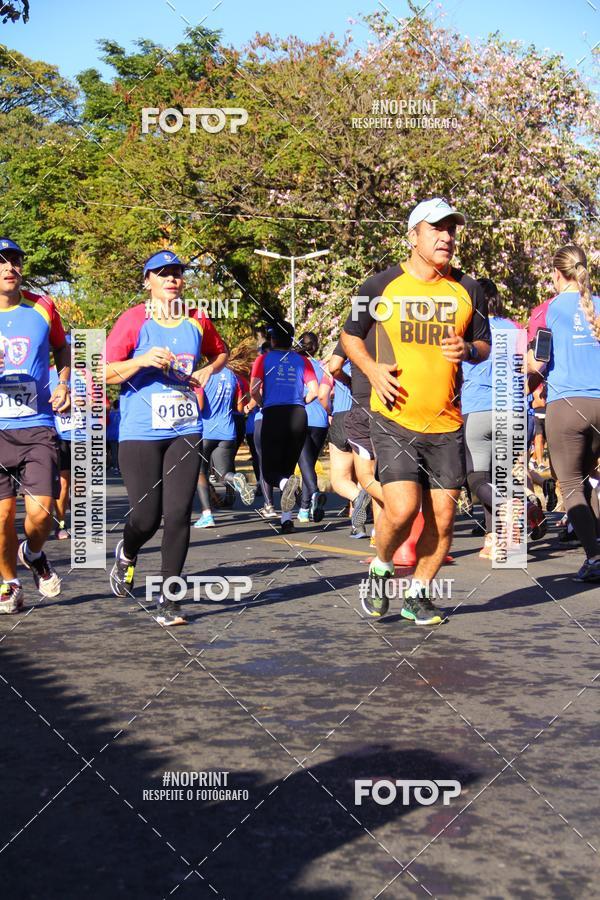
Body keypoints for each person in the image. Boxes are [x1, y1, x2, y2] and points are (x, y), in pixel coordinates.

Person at [342, 197, 491, 623]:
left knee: (443, 520)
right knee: (404, 508)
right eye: (436, 229)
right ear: (413, 236)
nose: (446, 238)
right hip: (395, 417)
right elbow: (350, 336)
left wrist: (469, 350)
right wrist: (372, 369)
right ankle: (381, 566)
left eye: (451, 230)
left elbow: (484, 344)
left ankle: (418, 595)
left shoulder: (469, 289)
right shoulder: (378, 286)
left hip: (447, 423)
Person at [105, 250, 227, 625]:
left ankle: (169, 599)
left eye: (176, 272)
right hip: (140, 432)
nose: (171, 278)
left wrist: (208, 370)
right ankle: (127, 552)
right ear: (148, 281)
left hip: (185, 429)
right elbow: (102, 372)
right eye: (162, 273)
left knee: (177, 515)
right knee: (146, 518)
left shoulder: (197, 318)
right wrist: (141, 361)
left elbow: (221, 353)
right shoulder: (133, 320)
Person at [0, 238, 70, 613]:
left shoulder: (43, 307)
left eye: (14, 260)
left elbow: (62, 347)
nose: (8, 267)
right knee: (2, 517)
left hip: (37, 425)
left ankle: (34, 552)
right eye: (1, 262)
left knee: (41, 514)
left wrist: (63, 382)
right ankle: (10, 584)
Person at [528, 243, 600, 582]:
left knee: (571, 484)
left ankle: (595, 557)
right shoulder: (597, 304)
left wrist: (525, 376)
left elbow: (538, 363)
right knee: (592, 480)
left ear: (557, 274)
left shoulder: (548, 309)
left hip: (567, 405)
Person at [250, 320, 318, 533]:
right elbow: (315, 391)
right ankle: (286, 520)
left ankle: (284, 491)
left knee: (270, 473)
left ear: (272, 339)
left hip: (274, 414)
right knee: (287, 470)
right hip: (298, 415)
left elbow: (253, 390)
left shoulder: (263, 359)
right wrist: (300, 403)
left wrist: (262, 404)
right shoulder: (302, 360)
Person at [194, 365, 254, 528]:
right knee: (223, 474)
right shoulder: (232, 376)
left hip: (206, 431)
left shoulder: (202, 375)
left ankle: (207, 515)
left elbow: (200, 406)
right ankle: (235, 478)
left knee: (200, 472)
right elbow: (239, 406)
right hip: (227, 431)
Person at [327, 344, 372, 537]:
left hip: (341, 417)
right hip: (366, 416)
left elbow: (323, 392)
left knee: (340, 479)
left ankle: (357, 499)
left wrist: (328, 411)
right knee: (365, 476)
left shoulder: (340, 363)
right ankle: (358, 523)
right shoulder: (372, 363)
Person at [296, 332, 330, 523]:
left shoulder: (295, 365)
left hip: (301, 419)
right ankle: (304, 508)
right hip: (320, 421)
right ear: (316, 347)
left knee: (305, 464)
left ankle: (314, 495)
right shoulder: (323, 367)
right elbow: (328, 393)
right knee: (309, 463)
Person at [106, 399, 121, 474]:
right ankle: (118, 467)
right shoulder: (122, 414)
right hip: (121, 435)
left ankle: (115, 467)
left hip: (111, 435)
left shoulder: (109, 414)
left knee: (113, 452)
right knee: (119, 452)